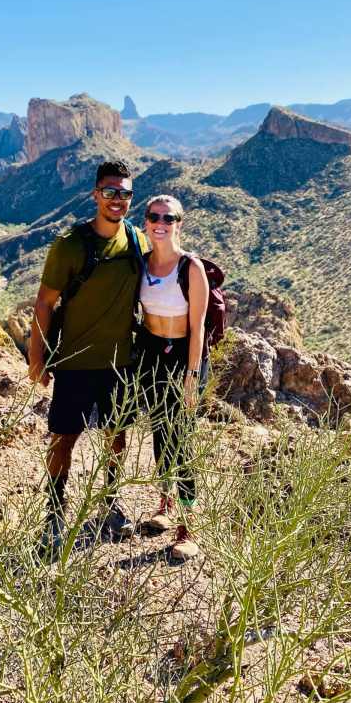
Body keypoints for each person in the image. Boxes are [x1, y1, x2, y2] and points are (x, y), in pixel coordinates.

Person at [28, 160, 148, 558]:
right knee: (64, 438)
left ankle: (109, 503)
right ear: (96, 195)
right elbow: (45, 303)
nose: (118, 199)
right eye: (110, 192)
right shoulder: (71, 245)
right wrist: (37, 357)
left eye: (125, 193)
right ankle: (53, 515)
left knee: (117, 435)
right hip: (75, 362)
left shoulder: (137, 242)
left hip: (120, 363)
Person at [135, 194, 209, 561]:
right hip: (152, 354)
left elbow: (197, 329)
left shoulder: (190, 268)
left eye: (168, 217)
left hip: (183, 357)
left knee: (182, 438)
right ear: (146, 221)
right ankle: (165, 505)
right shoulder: (143, 264)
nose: (160, 222)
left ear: (180, 223)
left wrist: (192, 376)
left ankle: (189, 526)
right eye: (153, 216)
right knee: (160, 431)